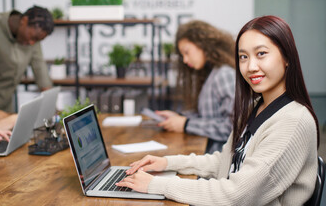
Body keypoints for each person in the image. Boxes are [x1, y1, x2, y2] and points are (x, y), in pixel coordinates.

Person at [116, 16, 319, 205]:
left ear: (287, 58)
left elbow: (236, 194)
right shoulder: (255, 107)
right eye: (243, 57)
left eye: (261, 54)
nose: (251, 67)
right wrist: (167, 163)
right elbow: (224, 162)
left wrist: (156, 185)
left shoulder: (293, 121)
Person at [156, 20, 236, 153]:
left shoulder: (224, 75)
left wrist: (186, 124)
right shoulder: (212, 74)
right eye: (182, 56)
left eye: (187, 52)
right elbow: (210, 117)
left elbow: (233, 128)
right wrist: (179, 117)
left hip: (219, 160)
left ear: (203, 44)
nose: (185, 60)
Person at [0, 5, 54, 113]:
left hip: (5, 108)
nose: (32, 43)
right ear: (24, 20)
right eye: (33, 38)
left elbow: (40, 69)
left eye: (37, 41)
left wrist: (51, 105)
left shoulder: (33, 40)